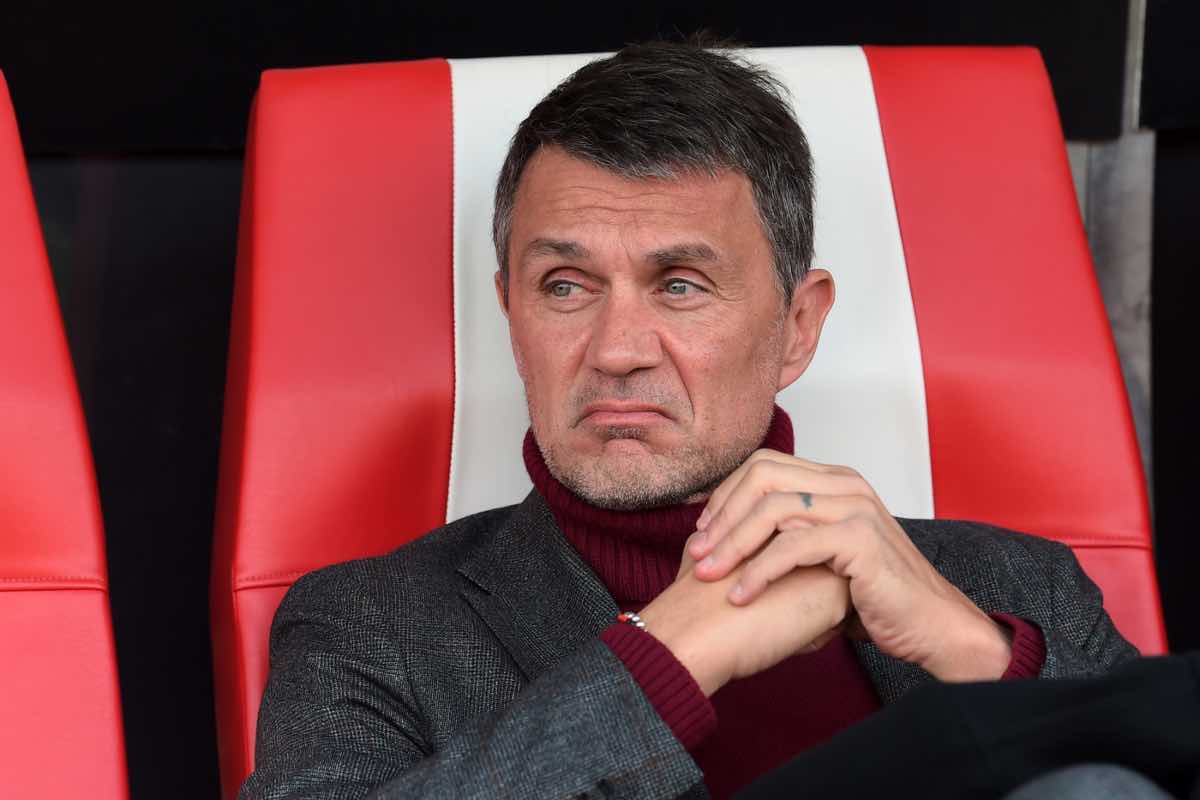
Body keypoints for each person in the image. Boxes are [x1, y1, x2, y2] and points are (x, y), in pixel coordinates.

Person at [241, 40, 1138, 800]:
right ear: (512, 318)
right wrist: (670, 657)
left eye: (680, 285)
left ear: (798, 327)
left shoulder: (1021, 591)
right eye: (565, 286)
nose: (617, 349)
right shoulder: (371, 626)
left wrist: (980, 659)